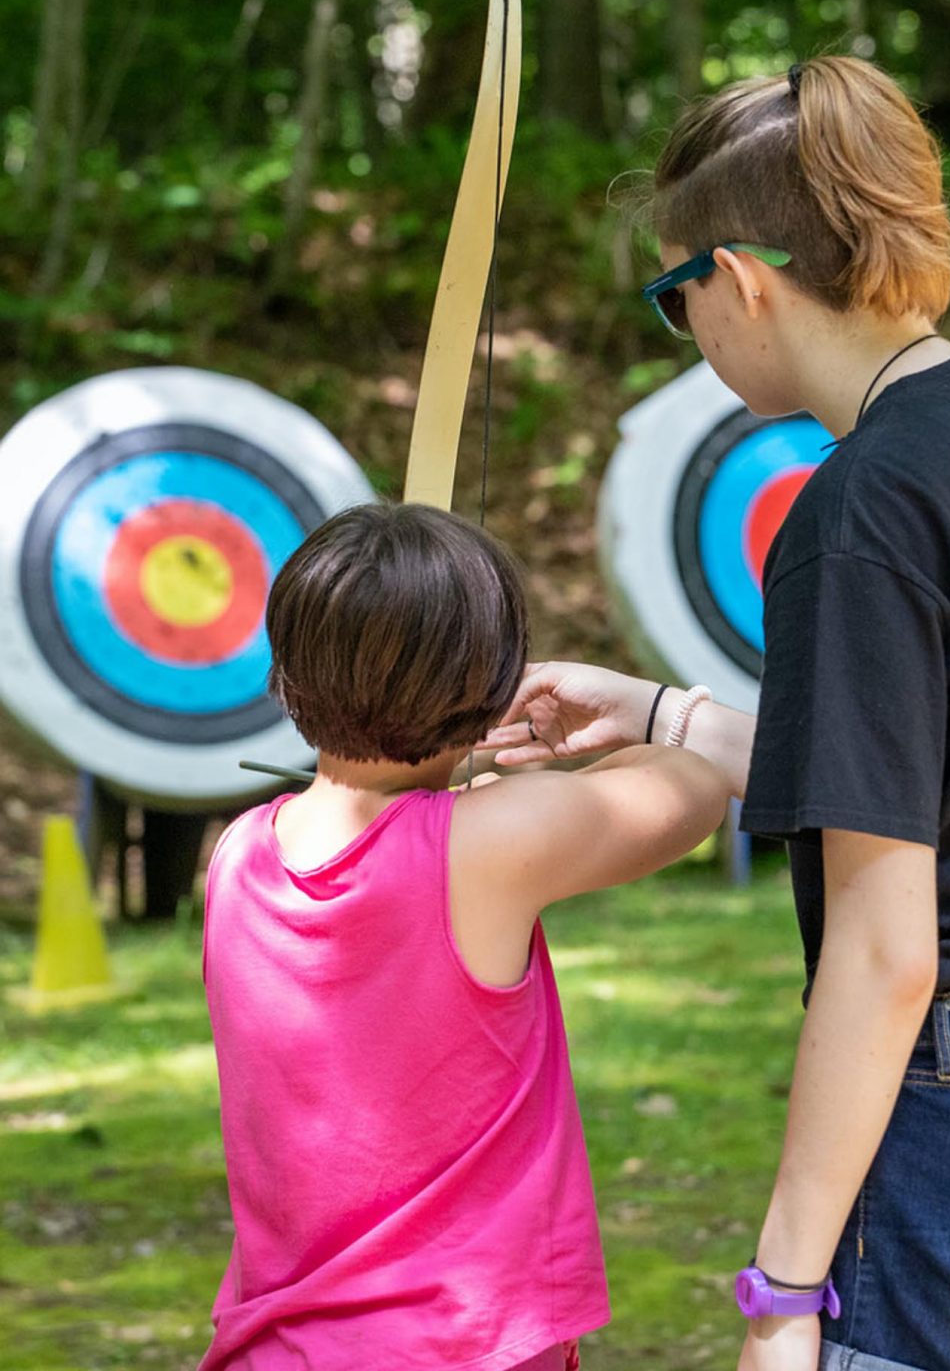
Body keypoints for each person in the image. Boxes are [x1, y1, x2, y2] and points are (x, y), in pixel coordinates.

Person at [480, 56, 950, 1371]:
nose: (690, 331)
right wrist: (664, 712)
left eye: (678, 297)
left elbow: (888, 953)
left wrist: (783, 1288)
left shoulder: (860, 511)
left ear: (745, 278)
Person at [197, 502, 733, 1371]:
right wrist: (517, 757)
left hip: (278, 1348)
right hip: (463, 1348)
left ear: (286, 668)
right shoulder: (487, 844)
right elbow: (694, 787)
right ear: (486, 683)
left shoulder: (237, 857)